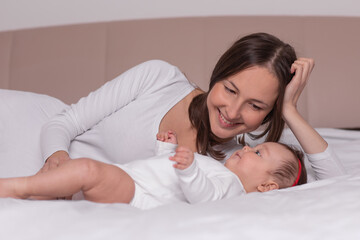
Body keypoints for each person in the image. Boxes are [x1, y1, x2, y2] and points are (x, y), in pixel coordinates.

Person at [39, 32, 345, 182]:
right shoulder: (158, 78)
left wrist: (290, 110)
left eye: (255, 105)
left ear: (269, 112)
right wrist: (57, 161)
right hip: (37, 144)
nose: (233, 112)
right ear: (216, 76)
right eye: (229, 89)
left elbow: (335, 186)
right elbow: (64, 122)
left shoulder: (237, 162)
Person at [0, 130, 307, 210]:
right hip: (135, 179)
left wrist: (188, 170)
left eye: (257, 152)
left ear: (267, 186)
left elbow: (205, 198)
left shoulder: (232, 188)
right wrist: (167, 151)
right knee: (74, 181)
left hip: (137, 194)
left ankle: (16, 187)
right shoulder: (216, 168)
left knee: (87, 171)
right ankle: (25, 202)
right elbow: (166, 172)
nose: (244, 148)